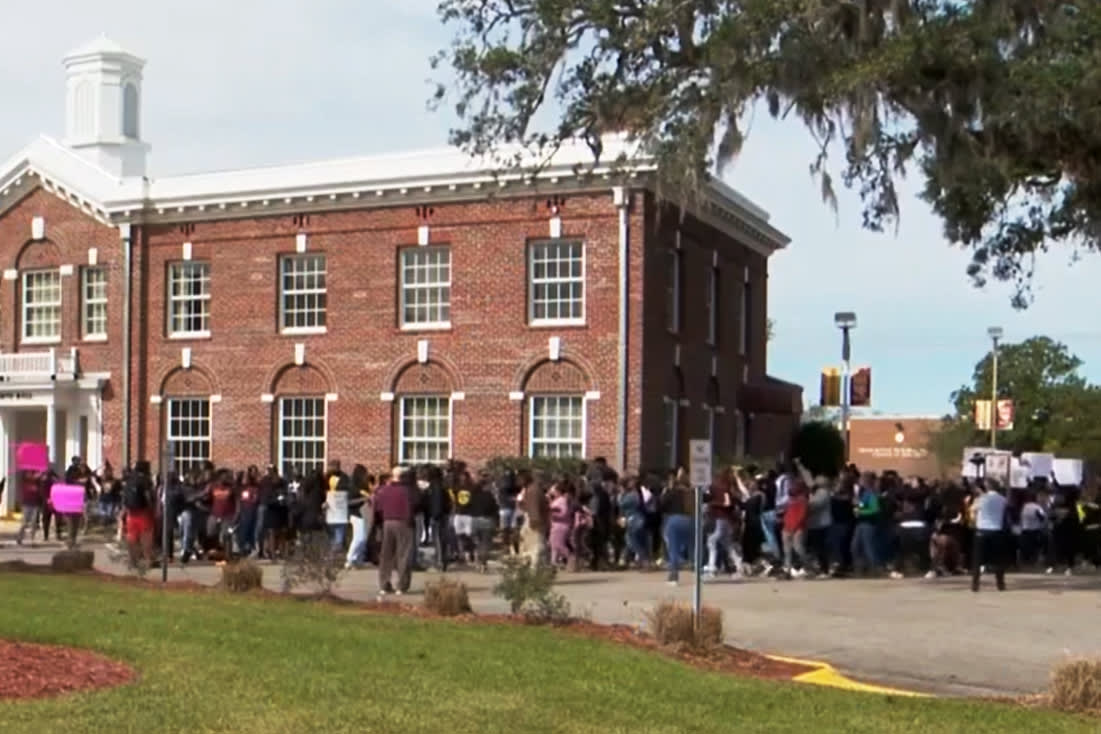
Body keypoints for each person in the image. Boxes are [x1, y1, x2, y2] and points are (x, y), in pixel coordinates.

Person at [374, 466, 415, 596]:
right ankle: (401, 586)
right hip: (403, 522)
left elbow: (378, 507)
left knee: (386, 554)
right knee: (403, 555)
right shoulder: (407, 491)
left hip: (387, 522)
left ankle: (384, 585)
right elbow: (412, 505)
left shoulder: (384, 490)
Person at [971, 481, 1008, 592]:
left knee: (977, 559)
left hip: (982, 530)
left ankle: (975, 584)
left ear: (987, 487)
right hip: (997, 531)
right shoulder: (1003, 499)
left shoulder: (981, 499)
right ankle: (1000, 583)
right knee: (998, 559)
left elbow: (973, 510)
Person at [123, 460, 156, 569]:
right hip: (143, 512)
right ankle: (147, 560)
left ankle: (133, 561)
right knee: (146, 536)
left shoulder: (130, 479)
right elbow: (147, 496)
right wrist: (152, 508)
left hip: (130, 513)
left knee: (132, 537)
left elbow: (125, 496)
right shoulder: (145, 480)